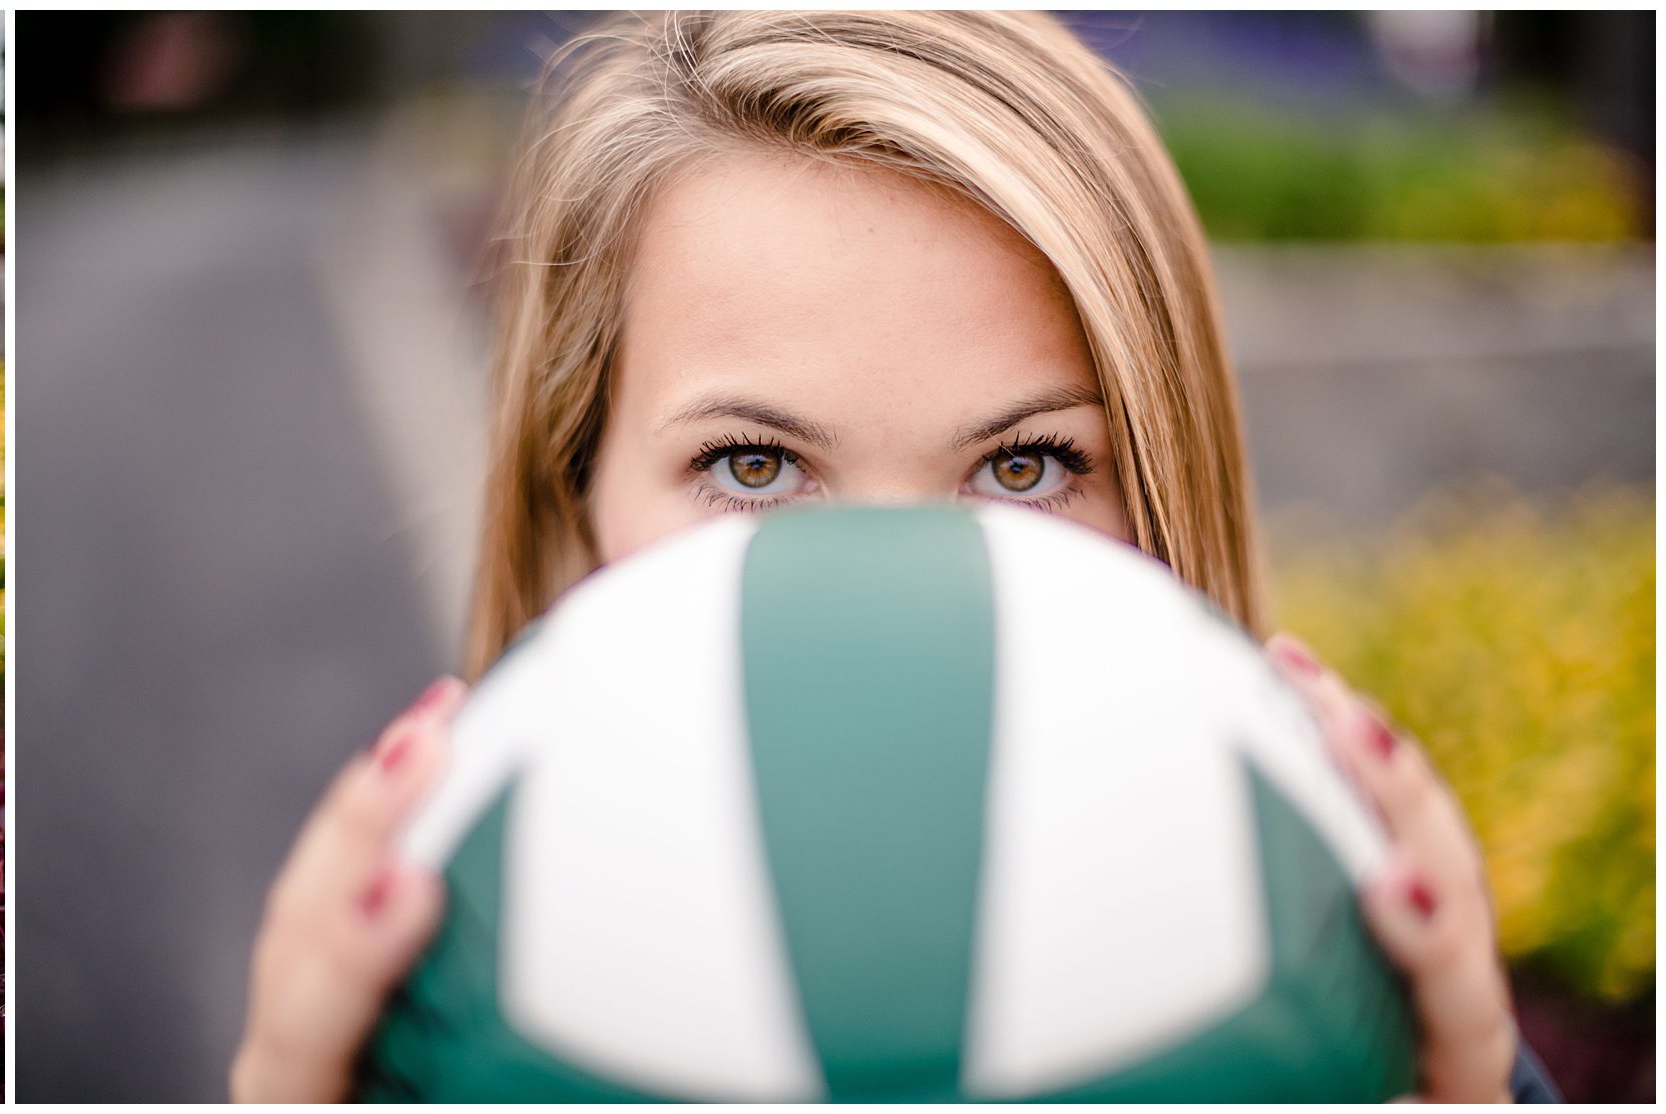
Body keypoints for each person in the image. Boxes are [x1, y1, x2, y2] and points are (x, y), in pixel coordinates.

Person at [231, 11, 1554, 1103]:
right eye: (756, 466)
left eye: (1026, 466)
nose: (894, 595)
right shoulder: (434, 1032)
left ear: (1169, 490)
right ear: (573, 506)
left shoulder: (1336, 1028)